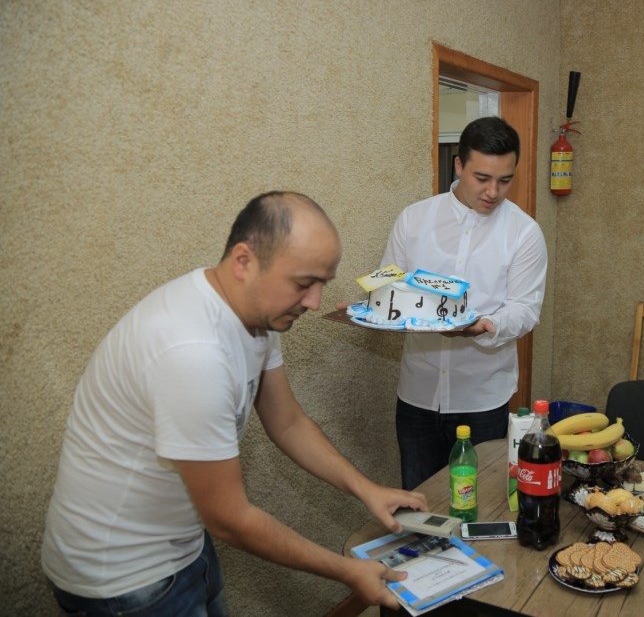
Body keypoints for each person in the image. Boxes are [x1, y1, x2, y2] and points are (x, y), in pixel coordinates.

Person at [41, 191, 428, 616]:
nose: (315, 302)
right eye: (303, 284)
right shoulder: (192, 353)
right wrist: (348, 571)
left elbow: (288, 422)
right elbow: (231, 519)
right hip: (123, 578)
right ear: (244, 261)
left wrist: (366, 489)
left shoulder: (257, 312)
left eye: (323, 284)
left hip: (183, 544)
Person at [377, 116, 548, 489]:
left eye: (505, 180)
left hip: (483, 399)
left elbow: (525, 309)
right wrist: (368, 303)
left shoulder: (524, 233)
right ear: (458, 165)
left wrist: (487, 326)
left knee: (481, 504)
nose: (493, 191)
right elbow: (390, 282)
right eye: (482, 178)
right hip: (417, 395)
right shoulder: (414, 218)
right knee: (419, 502)